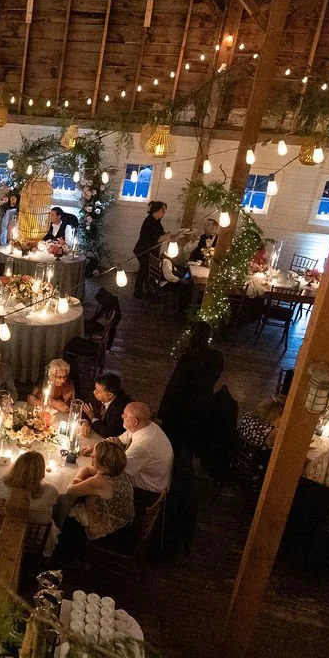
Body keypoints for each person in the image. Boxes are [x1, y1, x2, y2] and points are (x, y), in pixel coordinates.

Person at [83, 402, 173, 502]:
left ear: (135, 421)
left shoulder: (142, 445)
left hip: (147, 493)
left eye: (125, 415)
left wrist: (97, 455)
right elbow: (117, 440)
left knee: (92, 483)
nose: (122, 416)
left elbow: (115, 470)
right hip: (134, 474)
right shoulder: (144, 426)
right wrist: (96, 447)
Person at [158, 322, 224, 451]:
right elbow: (214, 378)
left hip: (179, 405)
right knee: (189, 443)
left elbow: (176, 385)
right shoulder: (216, 357)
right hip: (201, 403)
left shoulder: (186, 358)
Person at [63, 440, 135, 542]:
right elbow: (87, 469)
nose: (91, 455)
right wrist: (79, 478)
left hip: (112, 532)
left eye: (94, 456)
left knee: (70, 511)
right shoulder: (117, 471)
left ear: (104, 463)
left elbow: (70, 490)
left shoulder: (100, 481)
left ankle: (68, 549)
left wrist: (77, 480)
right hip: (125, 521)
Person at [0, 452, 60, 554]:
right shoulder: (51, 492)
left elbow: (4, 479)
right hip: (36, 539)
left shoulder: (1, 485)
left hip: (9, 533)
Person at [132, 201, 181, 299]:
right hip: (143, 250)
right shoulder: (150, 221)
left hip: (149, 251)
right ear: (156, 210)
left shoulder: (156, 221)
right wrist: (170, 235)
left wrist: (170, 236)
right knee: (144, 270)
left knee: (145, 271)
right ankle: (139, 292)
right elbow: (158, 238)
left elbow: (161, 234)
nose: (164, 212)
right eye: (163, 210)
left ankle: (145, 291)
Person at [80, 372, 131, 438]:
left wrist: (92, 418)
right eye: (95, 389)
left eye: (98, 391)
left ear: (110, 395)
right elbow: (84, 409)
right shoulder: (98, 395)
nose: (94, 392)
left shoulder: (121, 409)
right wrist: (85, 422)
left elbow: (107, 433)